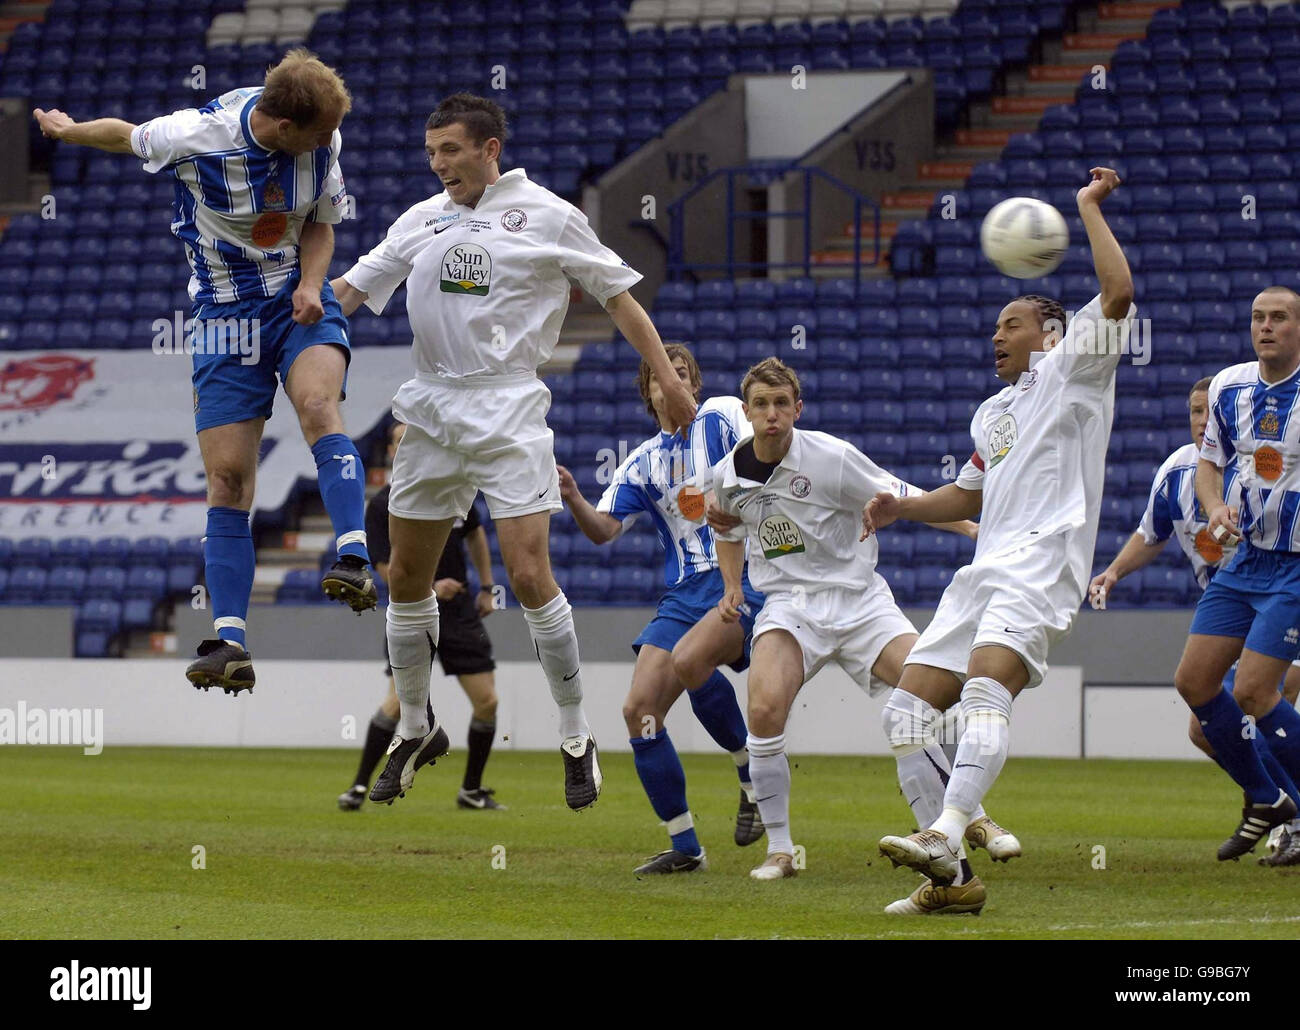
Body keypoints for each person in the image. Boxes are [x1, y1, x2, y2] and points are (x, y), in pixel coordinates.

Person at [329, 94, 696, 810]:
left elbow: (620, 297)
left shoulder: (550, 215)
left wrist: (665, 380)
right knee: (406, 576)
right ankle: (414, 725)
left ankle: (573, 733)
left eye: (452, 151)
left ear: (490, 148)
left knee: (530, 576)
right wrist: (292, 326)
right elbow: (348, 290)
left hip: (508, 406)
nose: (439, 165)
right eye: (431, 152)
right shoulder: (422, 217)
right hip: (431, 408)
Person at [33, 49, 377, 696]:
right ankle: (230, 642)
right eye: (319, 134)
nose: (331, 142)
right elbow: (125, 134)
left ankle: (354, 556)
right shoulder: (199, 136)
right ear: (280, 126)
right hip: (224, 316)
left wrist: (310, 283)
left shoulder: (321, 137)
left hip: (295, 301)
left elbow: (322, 226)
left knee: (317, 406)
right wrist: (67, 129)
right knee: (226, 479)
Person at [865, 168, 1135, 911]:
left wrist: (1085, 209)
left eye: (1010, 324)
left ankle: (949, 830)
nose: (997, 335)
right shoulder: (993, 413)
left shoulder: (1075, 369)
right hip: (983, 570)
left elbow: (1117, 295)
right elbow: (968, 493)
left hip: (1043, 562)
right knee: (906, 715)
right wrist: (903, 505)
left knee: (985, 692)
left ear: (1049, 333)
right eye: (995, 327)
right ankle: (951, 884)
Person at [710, 358, 1006, 899]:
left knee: (936, 687)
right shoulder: (727, 475)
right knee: (763, 707)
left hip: (860, 600)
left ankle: (971, 815)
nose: (771, 414)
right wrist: (733, 586)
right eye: (761, 404)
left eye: (781, 404)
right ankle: (781, 849)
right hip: (790, 605)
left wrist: (967, 525)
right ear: (747, 411)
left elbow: (901, 496)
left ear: (797, 409)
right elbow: (726, 528)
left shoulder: (831, 457)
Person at [557, 344, 764, 875]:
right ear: (648, 391)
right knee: (640, 712)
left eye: (683, 373)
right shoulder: (641, 461)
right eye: (661, 375)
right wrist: (576, 497)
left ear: (694, 385)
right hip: (681, 593)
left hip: (742, 574)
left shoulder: (721, 415)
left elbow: (765, 455)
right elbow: (605, 531)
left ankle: (750, 774)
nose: (674, 381)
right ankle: (686, 846)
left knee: (689, 662)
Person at [1088, 379, 1300, 865]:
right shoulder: (1181, 472)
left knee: (1265, 695)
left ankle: (1288, 822)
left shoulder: (1266, 464)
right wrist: (1114, 571)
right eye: (1194, 411)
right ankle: (1269, 800)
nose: (1202, 420)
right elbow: (1151, 532)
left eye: (1210, 411)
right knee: (1204, 728)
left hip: (1285, 587)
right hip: (1233, 605)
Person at [1169, 285, 1300, 861]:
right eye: (1258, 317)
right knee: (1194, 684)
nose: (1266, 326)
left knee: (1252, 690)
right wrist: (1215, 504)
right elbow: (1208, 466)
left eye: (1280, 317)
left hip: (1295, 566)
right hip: (1244, 560)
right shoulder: (1229, 386)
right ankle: (1266, 798)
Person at [338, 422, 505, 811]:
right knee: (396, 702)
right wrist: (430, 586)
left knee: (488, 701)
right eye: (400, 440)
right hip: (413, 611)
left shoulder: (454, 489)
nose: (407, 445)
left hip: (459, 612)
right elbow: (383, 567)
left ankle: (471, 790)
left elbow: (476, 532)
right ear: (393, 452)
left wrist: (485, 585)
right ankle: (360, 786)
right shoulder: (382, 505)